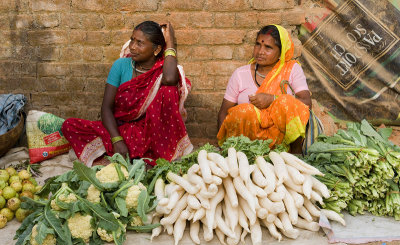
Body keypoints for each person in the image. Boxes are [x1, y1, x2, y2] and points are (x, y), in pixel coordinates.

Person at [62, 21, 193, 166]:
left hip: (151, 136)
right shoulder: (121, 65)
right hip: (121, 131)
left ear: (156, 50)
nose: (132, 47)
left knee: (169, 91)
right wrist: (117, 140)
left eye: (140, 43)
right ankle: (132, 156)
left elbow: (169, 79)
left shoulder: (162, 71)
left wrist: (170, 43)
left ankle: (136, 157)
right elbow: (106, 108)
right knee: (69, 125)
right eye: (132, 40)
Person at [217, 25, 311, 153]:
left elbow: (306, 103)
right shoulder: (240, 74)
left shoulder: (292, 70)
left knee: (286, 102)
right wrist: (223, 145)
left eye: (268, 47)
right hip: (246, 147)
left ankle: (296, 154)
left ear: (281, 51)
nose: (260, 51)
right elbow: (224, 112)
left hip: (283, 147)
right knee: (244, 111)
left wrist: (273, 99)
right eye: (257, 45)